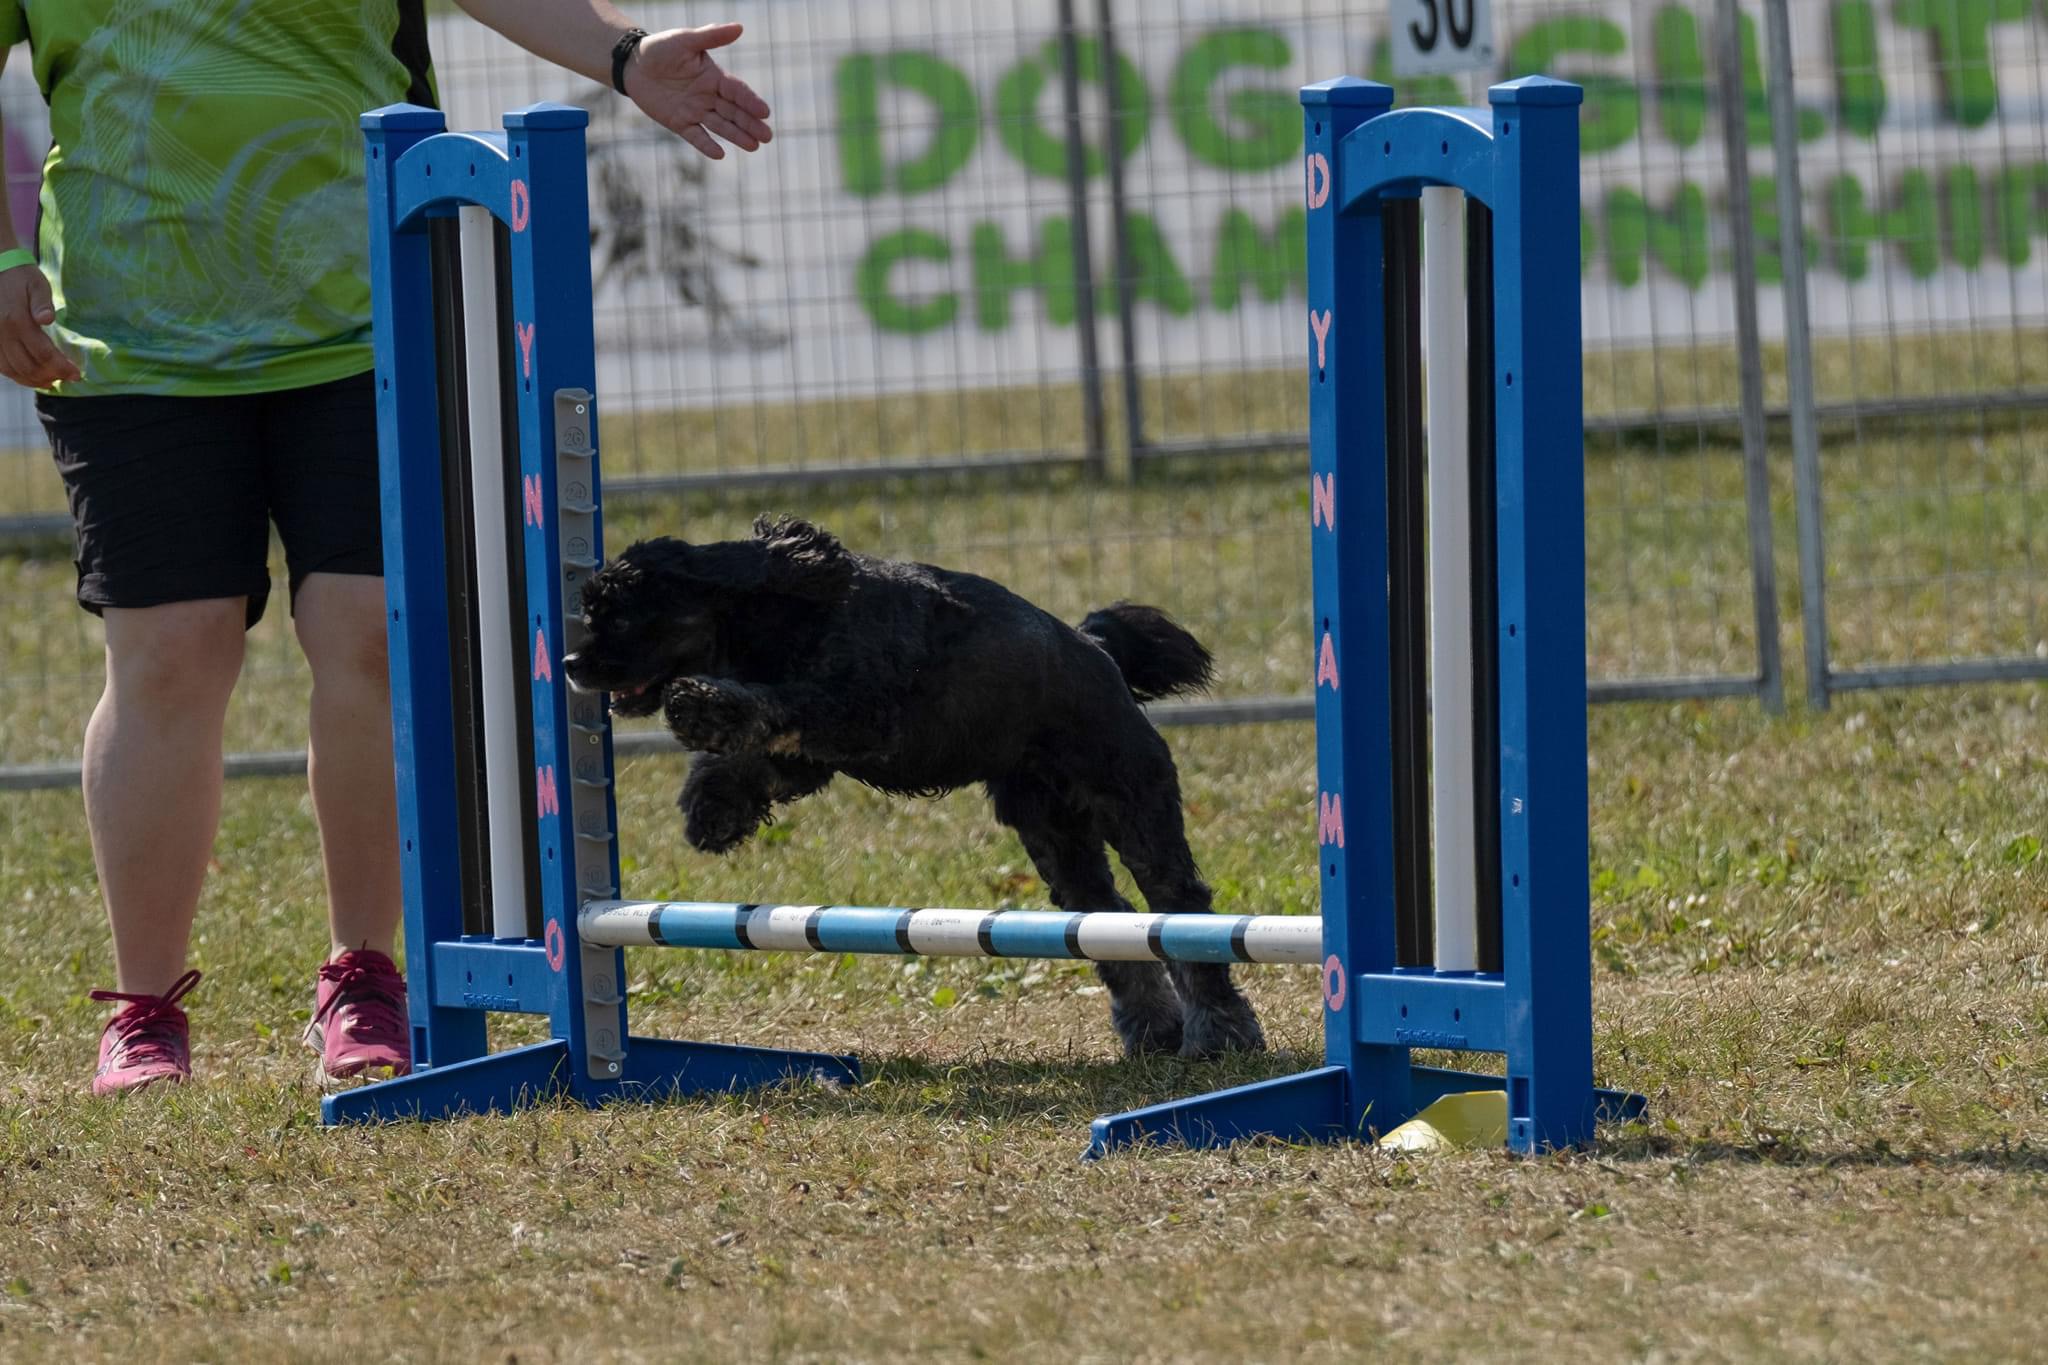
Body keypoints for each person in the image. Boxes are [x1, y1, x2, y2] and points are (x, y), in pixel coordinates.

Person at [0, 0, 773, 1095]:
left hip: (371, 316)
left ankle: (364, 975)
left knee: (368, 634)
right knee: (172, 652)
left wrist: (623, 55)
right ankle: (144, 1011)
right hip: (131, 340)